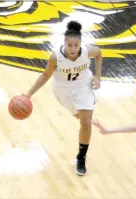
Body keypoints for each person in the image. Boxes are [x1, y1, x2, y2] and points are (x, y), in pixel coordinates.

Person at [24, 20, 103, 176]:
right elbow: (46, 75)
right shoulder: (56, 57)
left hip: (83, 86)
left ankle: (81, 157)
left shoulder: (87, 51)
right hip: (63, 91)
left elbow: (99, 53)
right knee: (80, 117)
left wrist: (98, 76)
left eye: (76, 45)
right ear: (64, 44)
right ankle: (82, 119)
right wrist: (28, 94)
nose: (73, 49)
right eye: (70, 45)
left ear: (80, 44)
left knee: (86, 122)